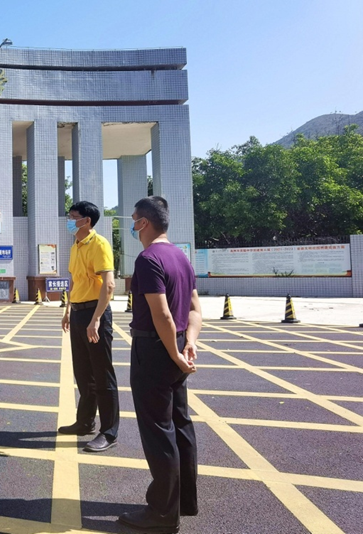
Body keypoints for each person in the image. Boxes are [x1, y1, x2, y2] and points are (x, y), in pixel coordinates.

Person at [118, 196, 202, 533]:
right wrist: (188, 343)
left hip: (155, 349)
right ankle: (184, 501)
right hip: (177, 344)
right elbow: (194, 309)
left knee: (158, 431)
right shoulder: (181, 257)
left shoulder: (148, 258)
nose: (133, 226)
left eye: (134, 220)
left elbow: (162, 313)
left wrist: (173, 352)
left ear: (144, 223)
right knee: (180, 424)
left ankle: (162, 514)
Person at [60, 201, 119, 452]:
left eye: (73, 217)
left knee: (102, 374)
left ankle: (109, 432)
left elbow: (109, 285)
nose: (69, 221)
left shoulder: (99, 244)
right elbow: (74, 281)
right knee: (83, 373)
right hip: (78, 313)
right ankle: (85, 422)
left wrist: (96, 319)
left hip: (96, 313)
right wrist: (67, 310)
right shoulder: (75, 246)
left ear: (87, 221)